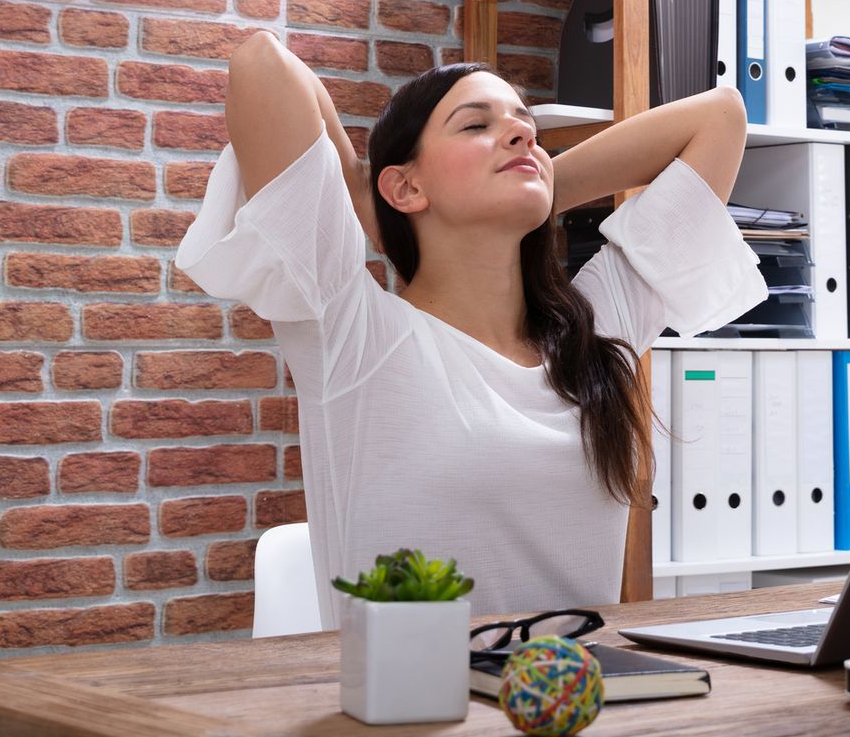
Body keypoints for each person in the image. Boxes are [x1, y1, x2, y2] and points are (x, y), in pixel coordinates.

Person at [173, 30, 768, 623]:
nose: (522, 133)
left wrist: (536, 178)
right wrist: (363, 194)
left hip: (574, 701)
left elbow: (719, 117)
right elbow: (260, 63)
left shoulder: (593, 331)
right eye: (475, 124)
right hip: (415, 707)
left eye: (524, 124)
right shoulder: (353, 333)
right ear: (404, 185)